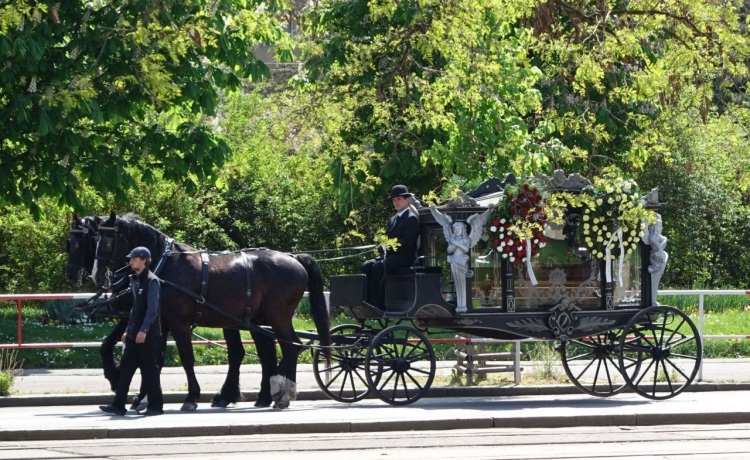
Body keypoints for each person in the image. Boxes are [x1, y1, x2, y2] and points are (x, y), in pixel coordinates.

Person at [99, 246, 164, 416]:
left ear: (144, 260)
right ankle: (118, 404)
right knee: (126, 369)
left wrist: (144, 330)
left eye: (134, 259)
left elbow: (152, 310)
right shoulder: (134, 280)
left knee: (150, 371)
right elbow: (135, 309)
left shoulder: (152, 281)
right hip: (134, 334)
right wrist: (128, 330)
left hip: (148, 336)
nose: (130, 262)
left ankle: (156, 407)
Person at [361, 184, 421, 308]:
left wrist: (388, 247)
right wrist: (381, 245)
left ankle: (379, 304)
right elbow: (388, 238)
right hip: (391, 257)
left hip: (404, 258)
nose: (396, 202)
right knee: (366, 265)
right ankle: (367, 300)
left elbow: (408, 242)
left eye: (399, 199)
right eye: (394, 200)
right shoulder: (392, 219)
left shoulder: (411, 219)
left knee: (378, 267)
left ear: (407, 199)